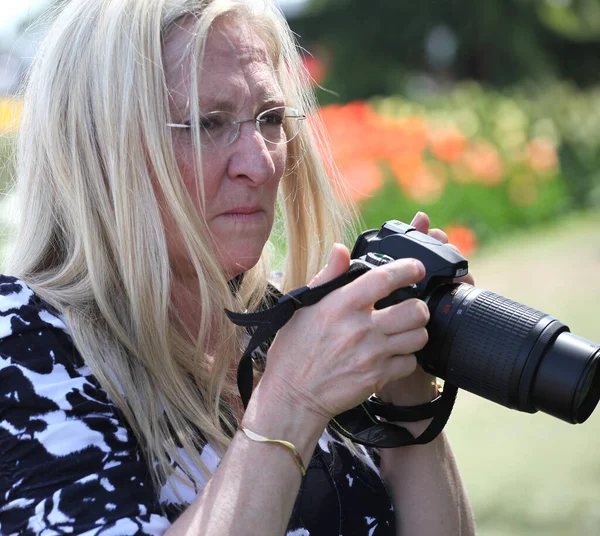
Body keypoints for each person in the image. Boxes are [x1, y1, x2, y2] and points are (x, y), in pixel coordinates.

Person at [0, 0, 476, 534]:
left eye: (270, 119)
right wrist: (292, 399)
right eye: (207, 122)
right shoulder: (24, 341)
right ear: (97, 148)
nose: (261, 162)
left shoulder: (285, 321)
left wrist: (407, 388)